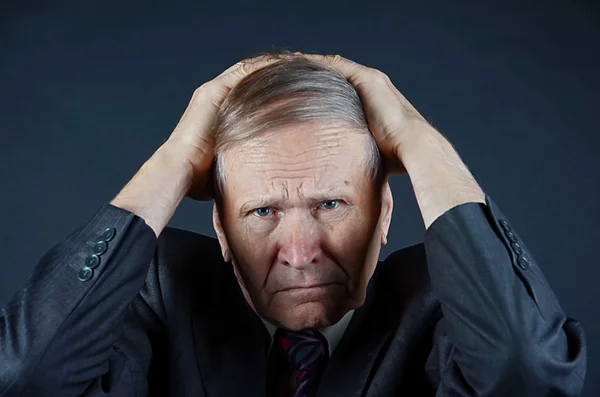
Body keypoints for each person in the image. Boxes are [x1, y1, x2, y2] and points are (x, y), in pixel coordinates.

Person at [0, 52, 586, 397]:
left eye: (331, 204)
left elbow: (527, 375)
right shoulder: (162, 287)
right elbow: (27, 378)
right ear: (222, 232)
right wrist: (175, 157)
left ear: (384, 213)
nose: (301, 251)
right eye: (262, 212)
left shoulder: (439, 299)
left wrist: (418, 139)